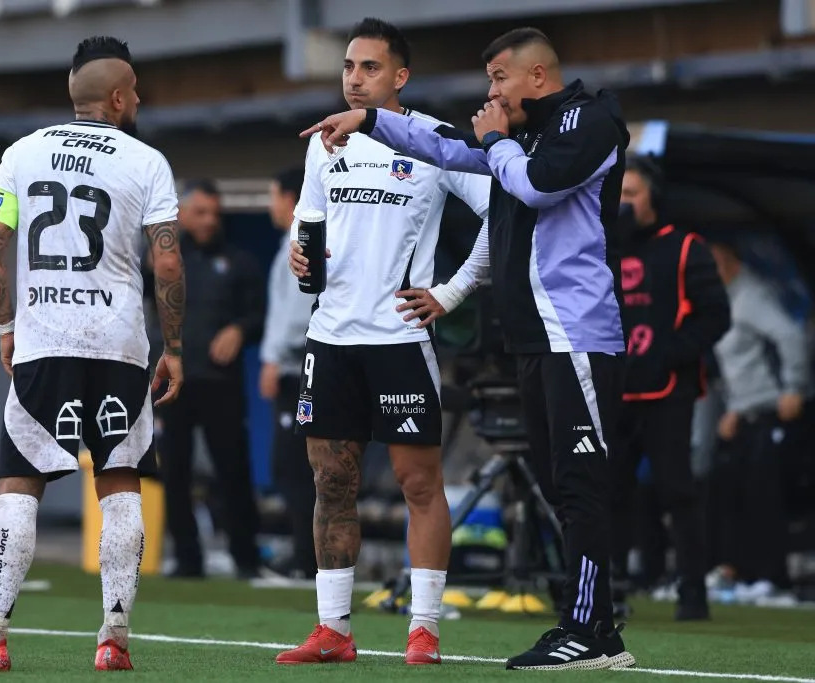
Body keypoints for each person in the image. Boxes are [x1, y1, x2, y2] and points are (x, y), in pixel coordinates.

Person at [301, 26, 635, 669]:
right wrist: (369, 119)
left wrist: (494, 142)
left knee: (582, 484)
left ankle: (592, 630)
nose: (490, 94)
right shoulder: (518, 137)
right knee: (561, 483)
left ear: (537, 76)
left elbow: (536, 184)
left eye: (499, 79)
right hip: (534, 338)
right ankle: (586, 624)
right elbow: (442, 143)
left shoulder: (590, 122)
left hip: (576, 336)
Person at [0, 36, 184, 672]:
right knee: (120, 481)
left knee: (19, 483)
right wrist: (173, 346)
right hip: (121, 345)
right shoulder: (148, 161)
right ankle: (113, 638)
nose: (140, 100)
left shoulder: (22, 152)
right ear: (119, 98)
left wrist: (6, 325)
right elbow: (168, 258)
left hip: (44, 342)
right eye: (138, 91)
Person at [275, 18, 492, 666]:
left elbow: (501, 213)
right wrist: (299, 253)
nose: (354, 77)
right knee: (331, 480)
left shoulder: (427, 139)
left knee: (416, 482)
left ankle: (424, 627)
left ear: (400, 77)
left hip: (398, 336)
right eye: (348, 65)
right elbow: (309, 221)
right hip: (331, 336)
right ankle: (333, 629)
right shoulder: (324, 142)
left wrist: (450, 293)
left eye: (369, 67)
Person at [611, 154, 730, 621]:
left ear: (653, 198)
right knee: (610, 492)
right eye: (617, 194)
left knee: (677, 491)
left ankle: (693, 594)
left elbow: (715, 316)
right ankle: (612, 589)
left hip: (668, 393)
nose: (623, 203)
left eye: (632, 194)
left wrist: (669, 352)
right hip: (615, 391)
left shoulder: (685, 247)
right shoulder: (601, 246)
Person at [150, 180, 264, 580]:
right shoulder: (164, 263)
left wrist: (239, 328)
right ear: (182, 215)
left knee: (233, 470)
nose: (209, 220)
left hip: (221, 383)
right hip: (173, 384)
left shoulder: (240, 262)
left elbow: (259, 315)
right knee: (175, 472)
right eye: (201, 212)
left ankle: (246, 558)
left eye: (215, 213)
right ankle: (186, 559)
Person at [707, 240, 808, 601]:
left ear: (730, 256)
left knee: (767, 495)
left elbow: (789, 335)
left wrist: (795, 386)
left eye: (716, 257)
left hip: (772, 410)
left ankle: (773, 578)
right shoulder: (726, 297)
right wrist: (733, 407)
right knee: (737, 492)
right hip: (745, 412)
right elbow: (739, 363)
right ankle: (744, 574)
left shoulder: (752, 294)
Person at [259, 166, 317, 580]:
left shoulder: (302, 240)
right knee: (292, 465)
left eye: (273, 195)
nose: (270, 205)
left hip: (297, 370)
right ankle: (305, 555)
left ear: (290, 198)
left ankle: (306, 559)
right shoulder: (287, 243)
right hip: (293, 368)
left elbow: (298, 313)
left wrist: (274, 357)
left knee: (295, 465)